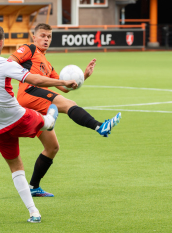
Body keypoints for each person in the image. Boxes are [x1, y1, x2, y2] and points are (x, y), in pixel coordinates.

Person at [0, 24, 78, 223]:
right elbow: (35, 80)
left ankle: (34, 212)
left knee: (16, 167)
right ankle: (48, 120)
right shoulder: (3, 63)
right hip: (15, 117)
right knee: (47, 121)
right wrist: (63, 83)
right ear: (2, 42)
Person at [7, 23, 121, 197]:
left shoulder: (47, 64)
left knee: (52, 147)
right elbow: (10, 62)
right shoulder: (29, 49)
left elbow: (66, 88)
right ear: (34, 37)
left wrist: (84, 76)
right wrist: (21, 75)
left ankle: (34, 187)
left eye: (49, 37)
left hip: (33, 99)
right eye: (43, 35)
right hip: (29, 91)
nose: (46, 39)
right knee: (68, 104)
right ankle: (100, 126)